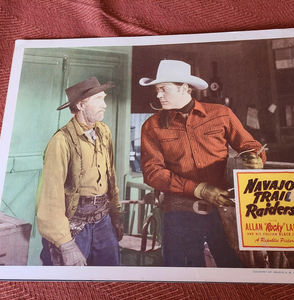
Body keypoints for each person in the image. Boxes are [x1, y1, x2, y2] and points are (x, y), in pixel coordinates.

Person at [139, 59, 266, 267]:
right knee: (183, 275)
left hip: (222, 213)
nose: (158, 95)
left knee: (233, 268)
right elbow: (153, 172)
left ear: (185, 88)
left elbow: (250, 145)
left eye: (163, 89)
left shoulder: (221, 114)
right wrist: (199, 189)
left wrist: (255, 157)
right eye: (156, 90)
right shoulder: (151, 126)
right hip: (178, 215)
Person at [37, 77, 123, 266]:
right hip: (73, 222)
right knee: (70, 285)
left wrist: (115, 214)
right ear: (81, 105)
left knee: (110, 279)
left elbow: (111, 176)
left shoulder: (104, 131)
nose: (105, 105)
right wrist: (66, 244)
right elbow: (51, 196)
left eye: (104, 98)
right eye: (99, 99)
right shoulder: (61, 141)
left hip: (103, 217)